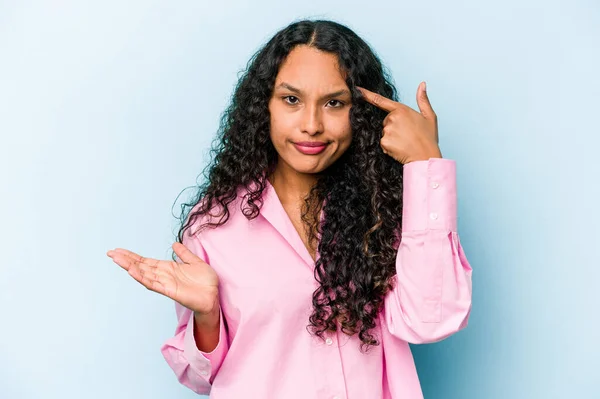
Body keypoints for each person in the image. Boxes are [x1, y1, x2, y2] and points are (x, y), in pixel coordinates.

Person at [107, 19, 473, 399]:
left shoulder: (384, 213)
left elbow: (431, 321)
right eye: (292, 100)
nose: (311, 125)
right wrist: (207, 317)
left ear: (360, 113)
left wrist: (425, 165)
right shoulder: (213, 225)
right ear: (264, 105)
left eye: (334, 102)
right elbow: (198, 377)